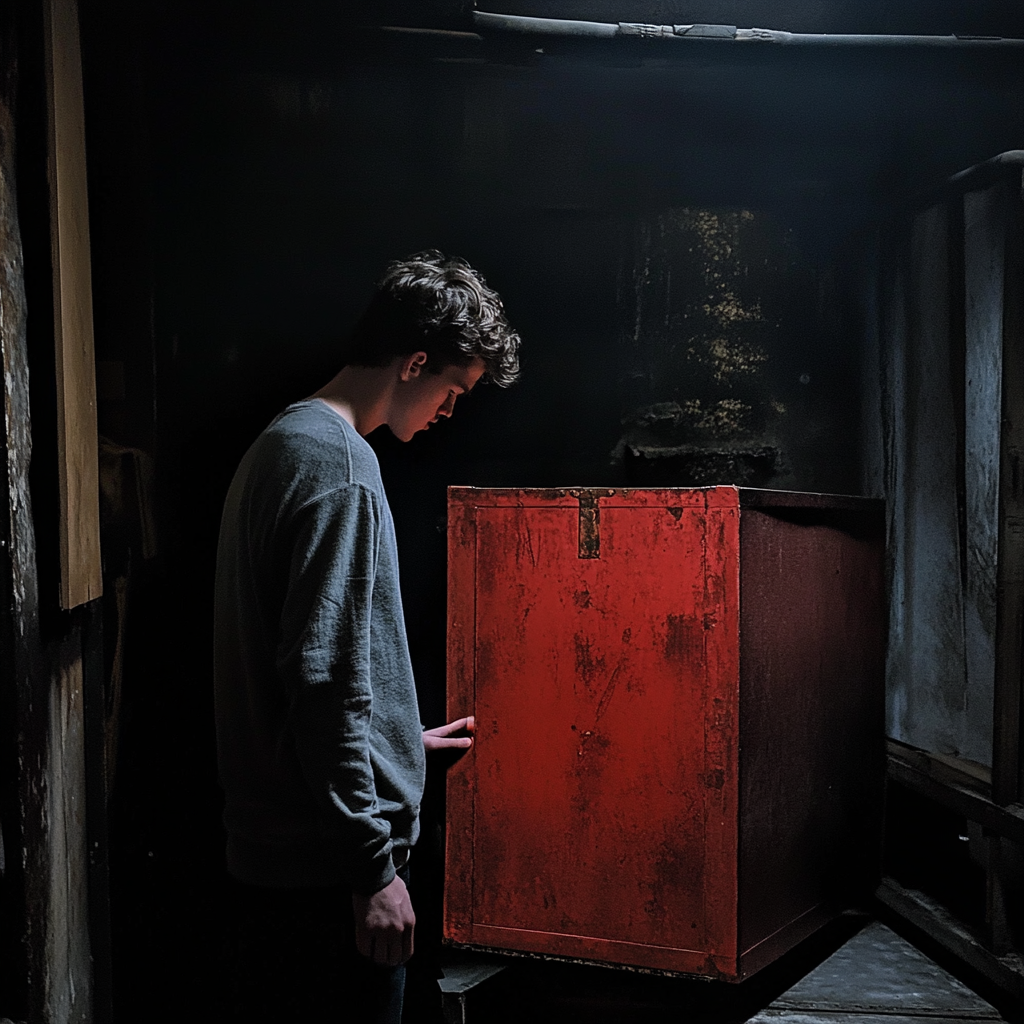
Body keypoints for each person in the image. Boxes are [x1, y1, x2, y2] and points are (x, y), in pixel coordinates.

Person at [213, 251, 520, 1023]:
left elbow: (305, 672)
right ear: (415, 362)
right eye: (454, 391)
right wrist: (374, 872)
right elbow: (322, 681)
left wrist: (395, 742)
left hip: (281, 863)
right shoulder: (341, 469)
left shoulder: (283, 444)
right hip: (322, 878)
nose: (451, 414)